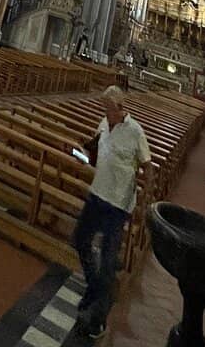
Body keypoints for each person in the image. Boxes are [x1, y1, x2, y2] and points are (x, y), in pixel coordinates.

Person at [73, 85, 152, 338]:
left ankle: (97, 320)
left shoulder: (136, 132)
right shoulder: (103, 123)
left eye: (108, 108)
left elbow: (148, 167)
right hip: (97, 194)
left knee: (108, 261)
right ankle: (96, 287)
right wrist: (83, 155)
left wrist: (146, 199)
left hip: (118, 205)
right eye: (103, 107)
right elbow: (97, 152)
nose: (105, 112)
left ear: (120, 108)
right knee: (79, 240)